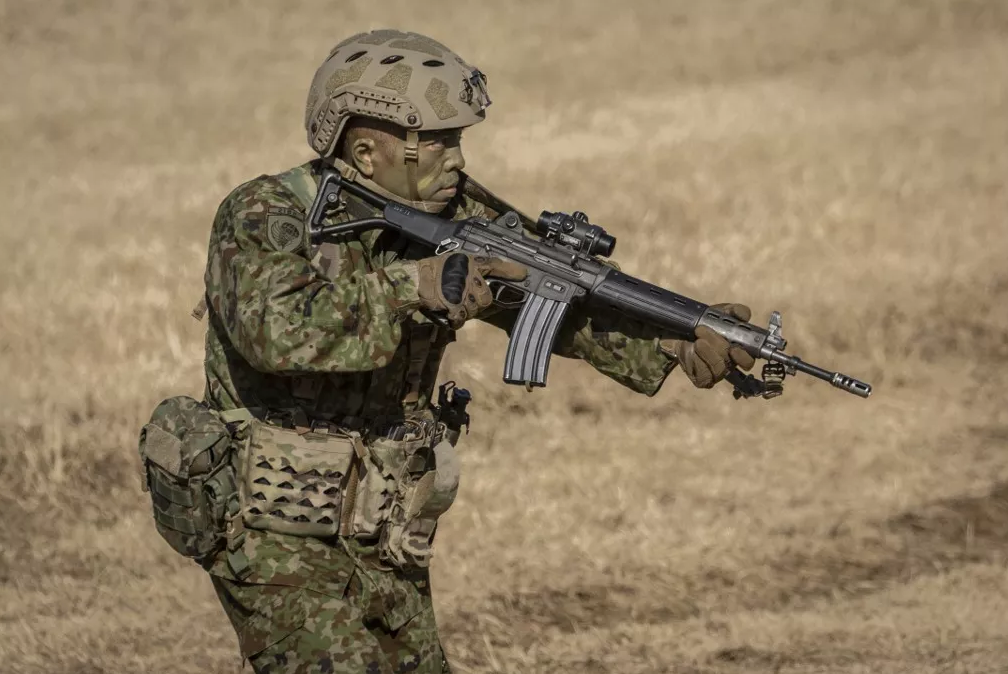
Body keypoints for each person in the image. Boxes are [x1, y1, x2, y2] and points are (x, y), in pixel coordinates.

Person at [197, 29, 754, 674]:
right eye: (437, 141)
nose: (458, 158)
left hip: (386, 520)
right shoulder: (265, 213)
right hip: (273, 518)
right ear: (367, 151)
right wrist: (415, 286)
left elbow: (558, 292)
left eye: (458, 138)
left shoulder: (454, 213)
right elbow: (275, 331)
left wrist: (669, 338)